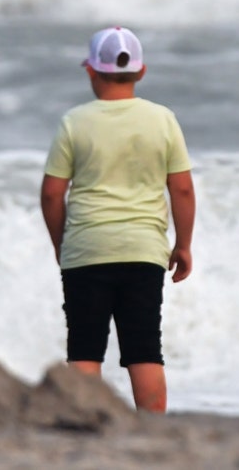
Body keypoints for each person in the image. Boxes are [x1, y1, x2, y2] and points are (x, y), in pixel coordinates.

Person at [40, 26, 195, 413]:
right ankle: (153, 427)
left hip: (86, 249)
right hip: (143, 249)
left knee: (85, 348)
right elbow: (182, 190)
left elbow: (51, 193)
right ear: (141, 73)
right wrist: (184, 244)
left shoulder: (74, 122)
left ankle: (83, 423)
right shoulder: (162, 120)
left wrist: (62, 244)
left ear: (91, 71)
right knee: (144, 348)